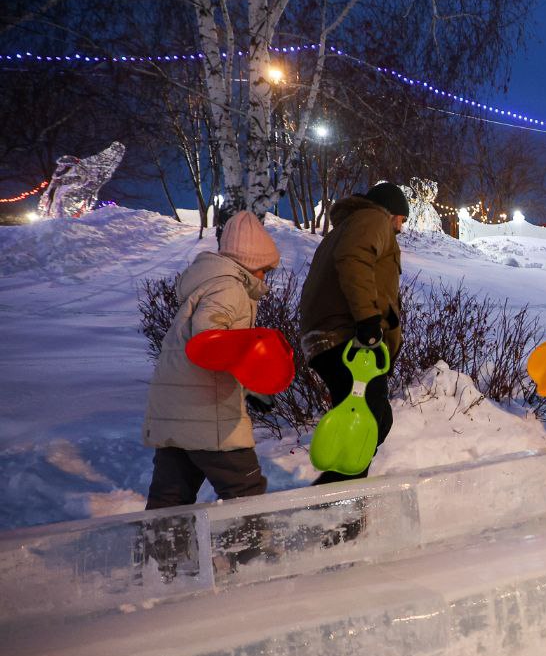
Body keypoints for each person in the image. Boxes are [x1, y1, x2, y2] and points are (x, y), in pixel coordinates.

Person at [142, 210, 281, 508]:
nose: (265, 277)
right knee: (245, 491)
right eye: (264, 269)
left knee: (171, 498)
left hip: (176, 405)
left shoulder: (210, 282)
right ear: (251, 262)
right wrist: (254, 380)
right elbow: (211, 341)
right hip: (206, 409)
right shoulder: (229, 287)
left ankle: (163, 554)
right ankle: (252, 553)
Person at [299, 181, 409, 484]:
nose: (401, 227)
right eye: (401, 218)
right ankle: (336, 514)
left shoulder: (347, 227)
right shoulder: (372, 219)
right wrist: (368, 321)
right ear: (390, 213)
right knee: (365, 423)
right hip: (347, 337)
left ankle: (336, 499)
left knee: (377, 419)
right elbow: (354, 259)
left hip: (329, 336)